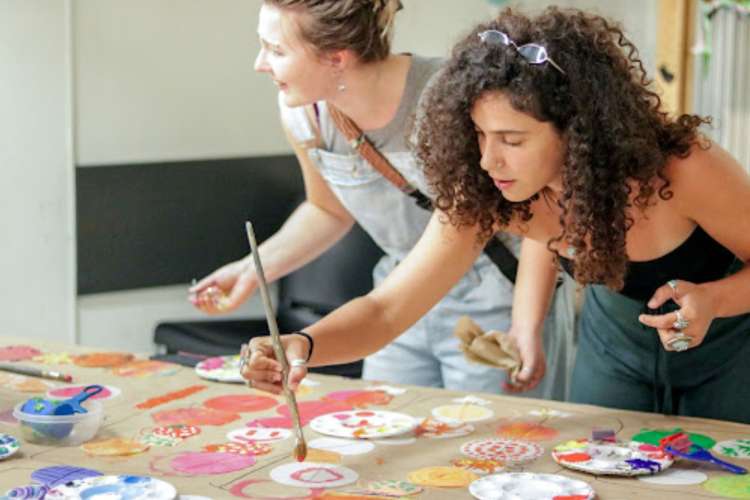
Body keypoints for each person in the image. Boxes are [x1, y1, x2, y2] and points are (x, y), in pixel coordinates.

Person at [189, 0, 575, 397]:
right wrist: (253, 270)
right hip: (397, 288)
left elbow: (535, 214)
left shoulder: (452, 96)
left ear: (336, 58)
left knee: (497, 442)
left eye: (277, 50)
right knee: (383, 426)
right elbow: (327, 211)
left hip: (496, 299)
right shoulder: (305, 116)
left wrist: (525, 325)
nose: (260, 64)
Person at [408, 7, 750, 423]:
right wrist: (525, 326)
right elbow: (549, 231)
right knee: (598, 466)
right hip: (612, 343)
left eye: (511, 139)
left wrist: (714, 300)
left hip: (731, 346)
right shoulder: (524, 185)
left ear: (577, 131)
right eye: (480, 135)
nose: (486, 161)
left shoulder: (686, 168)